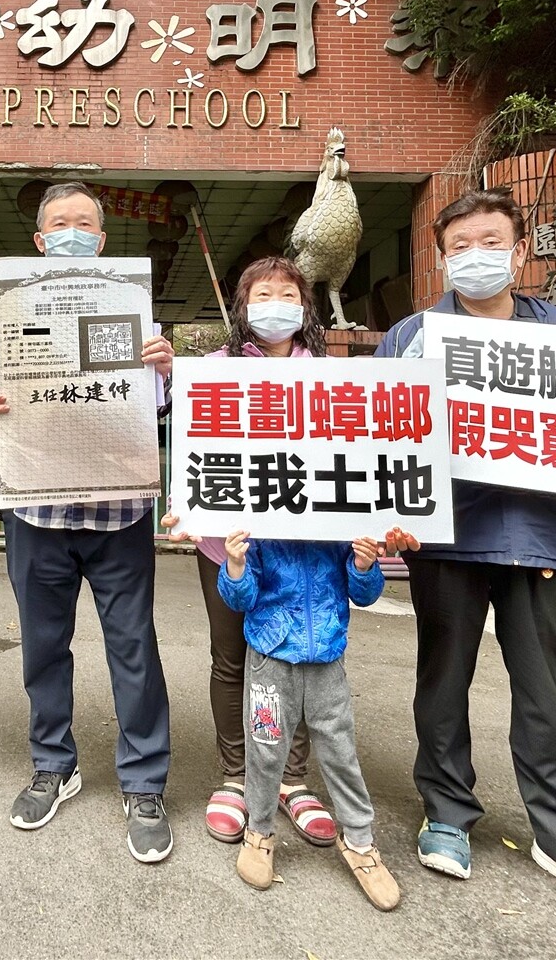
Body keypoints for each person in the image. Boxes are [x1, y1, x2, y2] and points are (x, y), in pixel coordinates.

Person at [374, 187, 556, 923]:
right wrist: (388, 517)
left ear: (520, 251)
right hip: (444, 542)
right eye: (459, 246)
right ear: (440, 258)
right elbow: (379, 444)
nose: (475, 257)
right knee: (442, 681)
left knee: (545, 695)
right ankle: (447, 814)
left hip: (538, 539)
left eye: (490, 241)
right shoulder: (409, 338)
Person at [0, 181, 177, 864]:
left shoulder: (137, 318)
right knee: (42, 649)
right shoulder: (12, 315)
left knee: (134, 651)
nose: (69, 232)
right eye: (57, 223)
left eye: (82, 224)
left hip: (120, 511)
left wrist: (166, 374)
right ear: (39, 242)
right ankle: (53, 765)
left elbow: (157, 414)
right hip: (36, 510)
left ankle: (144, 782)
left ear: (100, 239)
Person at [161, 257, 341, 849]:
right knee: (232, 661)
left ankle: (291, 779)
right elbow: (190, 445)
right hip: (227, 547)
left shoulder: (335, 377)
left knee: (303, 662)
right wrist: (187, 509)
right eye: (262, 294)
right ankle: (236, 777)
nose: (275, 304)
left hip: (304, 551)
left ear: (305, 306)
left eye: (287, 293)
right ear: (242, 307)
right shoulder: (212, 371)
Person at [217, 525, 412, 911]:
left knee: (340, 751)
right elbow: (240, 598)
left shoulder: (339, 523)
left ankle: (359, 842)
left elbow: (366, 593)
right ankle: (258, 834)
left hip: (327, 658)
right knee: (265, 750)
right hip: (270, 658)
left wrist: (363, 564)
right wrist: (236, 564)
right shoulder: (262, 525)